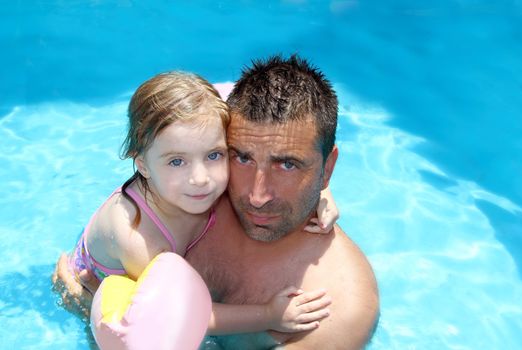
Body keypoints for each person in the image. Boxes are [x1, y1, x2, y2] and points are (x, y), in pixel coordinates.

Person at [54, 55, 379, 349]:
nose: (257, 195)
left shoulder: (339, 308)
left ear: (328, 166)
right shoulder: (197, 178)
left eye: (288, 164)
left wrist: (321, 187)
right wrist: (90, 308)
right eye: (242, 157)